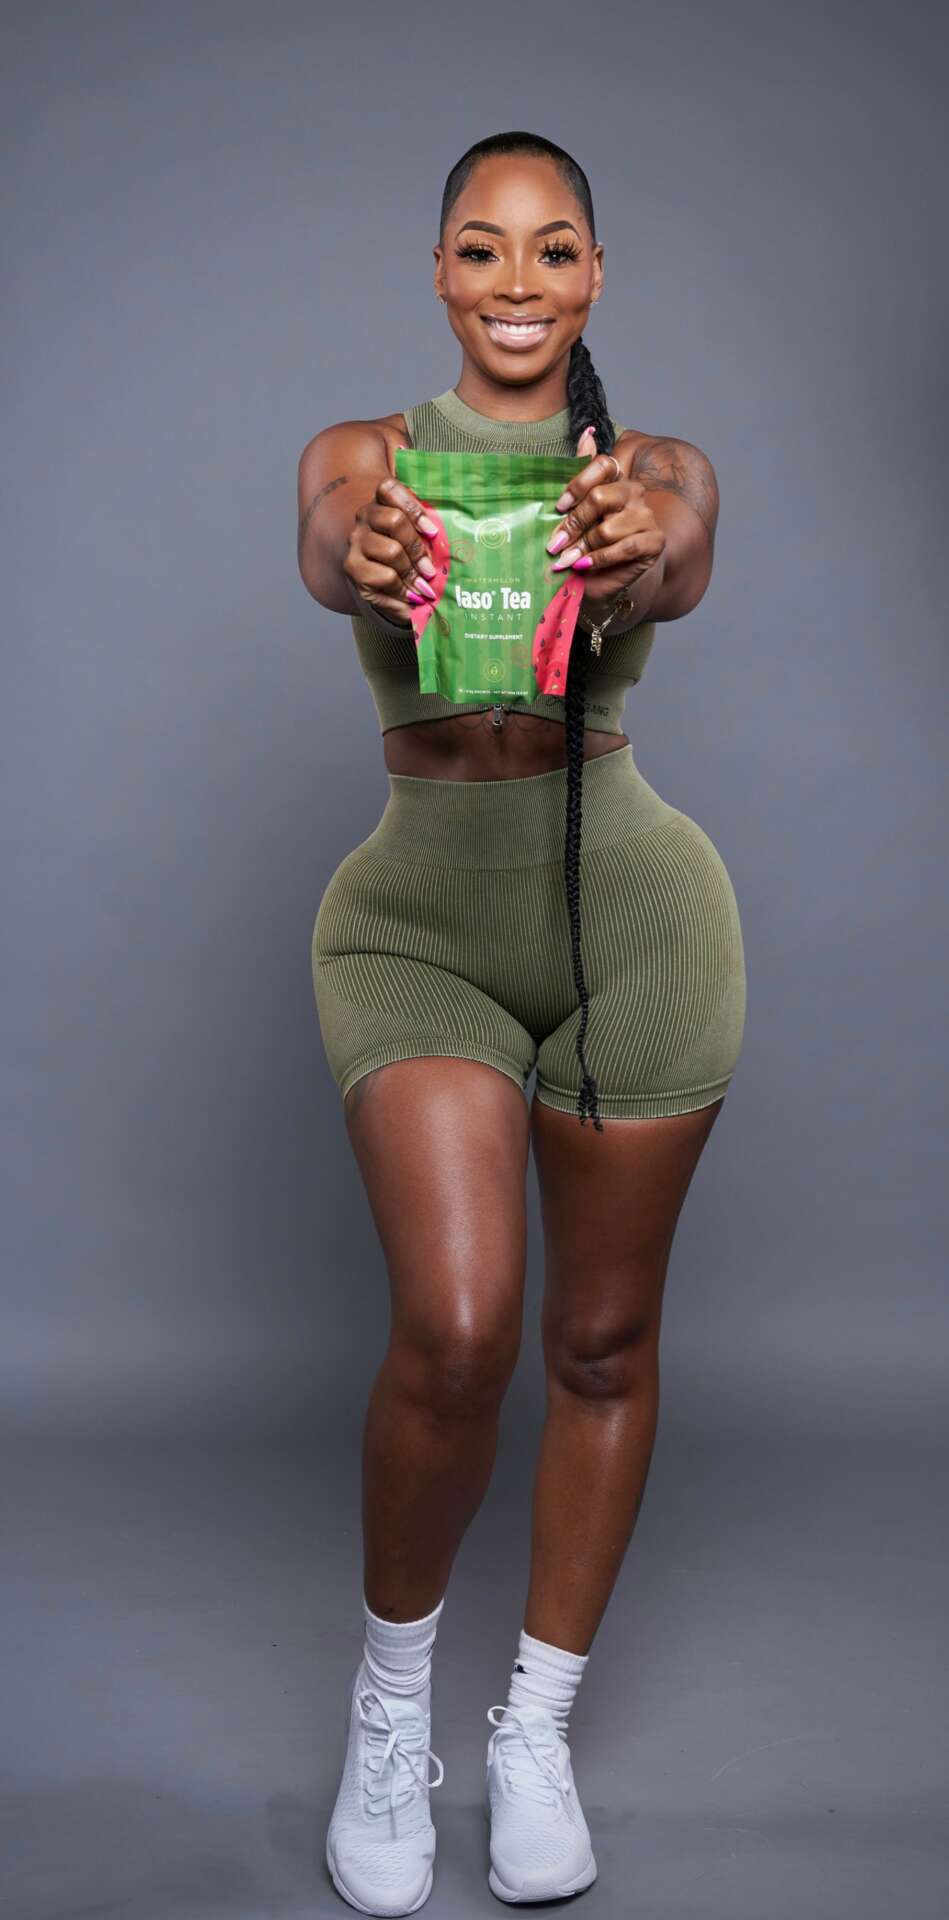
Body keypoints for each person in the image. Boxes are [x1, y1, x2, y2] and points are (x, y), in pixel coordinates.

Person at [297, 129, 746, 1914]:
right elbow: (326, 550)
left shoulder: (652, 466)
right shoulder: (362, 458)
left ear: (594, 277)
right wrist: (367, 550)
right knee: (460, 1327)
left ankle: (536, 1728)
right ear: (437, 272)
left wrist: (639, 545)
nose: (515, 281)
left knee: (602, 1345)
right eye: (480, 248)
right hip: (418, 924)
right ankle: (387, 1712)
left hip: (630, 916)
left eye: (552, 250)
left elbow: (680, 552)